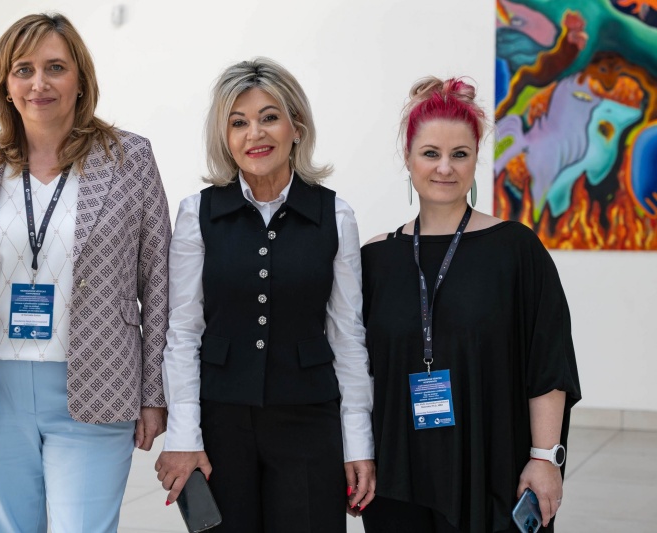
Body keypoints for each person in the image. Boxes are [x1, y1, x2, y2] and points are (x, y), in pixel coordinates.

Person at [0, 13, 171, 533]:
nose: (39, 83)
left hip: (99, 380)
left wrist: (154, 394)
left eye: (55, 67)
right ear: (5, 86)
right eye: (23, 70)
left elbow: (159, 283)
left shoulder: (130, 160)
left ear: (81, 80)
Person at [155, 57, 375, 532]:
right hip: (220, 424)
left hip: (309, 423)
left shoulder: (336, 216)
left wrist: (358, 443)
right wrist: (183, 435)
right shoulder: (197, 214)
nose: (254, 134)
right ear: (224, 137)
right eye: (238, 123)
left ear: (296, 126)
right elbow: (184, 330)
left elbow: (347, 335)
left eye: (269, 117)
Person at [360, 76, 581, 533]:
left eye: (459, 154)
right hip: (398, 480)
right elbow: (355, 371)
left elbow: (549, 362)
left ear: (476, 157)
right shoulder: (375, 259)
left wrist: (545, 458)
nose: (445, 167)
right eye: (430, 153)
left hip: (493, 473)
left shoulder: (515, 250)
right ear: (407, 157)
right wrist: (357, 456)